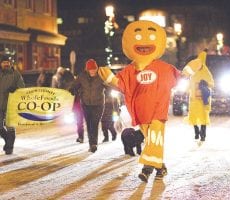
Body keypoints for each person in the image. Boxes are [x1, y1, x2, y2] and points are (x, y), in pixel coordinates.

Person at [98, 20, 182, 182]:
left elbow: (179, 76)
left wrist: (190, 70)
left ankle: (147, 169)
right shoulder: (130, 70)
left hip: (158, 111)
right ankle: (161, 168)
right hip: (142, 112)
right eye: (137, 36)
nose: (143, 42)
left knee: (155, 138)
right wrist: (109, 77)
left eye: (150, 36)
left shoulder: (163, 67)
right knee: (151, 140)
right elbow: (121, 84)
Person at [70, 59, 105, 153]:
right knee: (89, 125)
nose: (93, 71)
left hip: (98, 104)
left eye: (94, 69)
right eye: (91, 69)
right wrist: (72, 90)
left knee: (94, 123)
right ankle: (91, 144)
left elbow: (109, 85)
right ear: (87, 69)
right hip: (85, 104)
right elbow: (74, 85)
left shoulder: (101, 76)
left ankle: (94, 144)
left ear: (96, 68)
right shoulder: (82, 77)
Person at [182, 51, 214, 141]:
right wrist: (184, 91)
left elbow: (212, 83)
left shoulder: (206, 72)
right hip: (194, 100)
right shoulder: (193, 73)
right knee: (194, 117)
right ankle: (196, 132)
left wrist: (206, 83)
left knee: (203, 117)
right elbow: (190, 84)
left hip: (203, 100)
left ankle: (203, 134)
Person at [0, 55, 25, 154]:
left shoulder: (15, 74)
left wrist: (15, 90)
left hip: (10, 104)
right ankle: (8, 141)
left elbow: (22, 88)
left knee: (10, 126)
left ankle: (9, 147)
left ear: (10, 63)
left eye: (7, 62)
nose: (6, 64)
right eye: (4, 62)